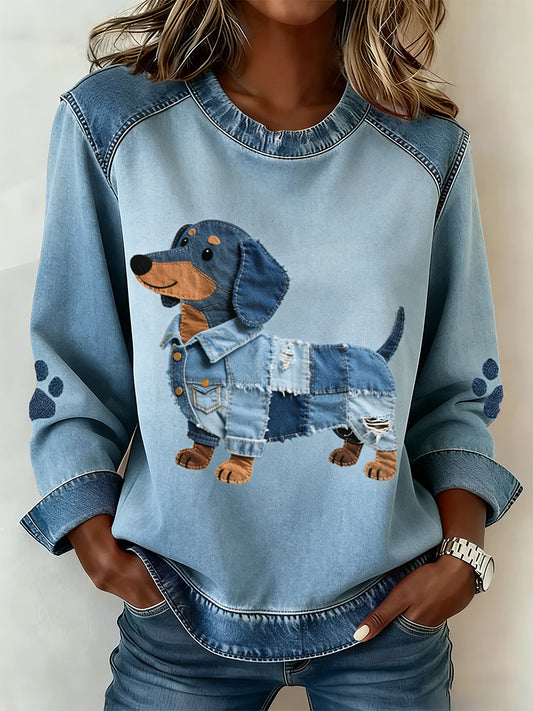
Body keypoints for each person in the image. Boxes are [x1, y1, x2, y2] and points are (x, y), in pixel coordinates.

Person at [20, 0, 523, 709]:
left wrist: (462, 559)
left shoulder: (428, 150)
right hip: (176, 612)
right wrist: (93, 537)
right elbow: (76, 362)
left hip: (389, 619)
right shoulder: (112, 124)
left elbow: (454, 391)